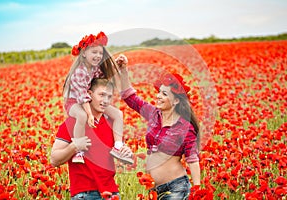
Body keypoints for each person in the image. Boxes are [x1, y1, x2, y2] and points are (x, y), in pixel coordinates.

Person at [116, 55, 201, 199]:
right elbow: (130, 98)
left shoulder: (185, 127)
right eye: (159, 92)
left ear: (175, 101)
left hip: (177, 188)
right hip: (154, 190)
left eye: (164, 93)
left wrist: (198, 191)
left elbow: (192, 159)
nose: (158, 96)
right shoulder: (153, 114)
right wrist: (123, 70)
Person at [51, 78, 133, 199]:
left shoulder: (113, 124)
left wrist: (127, 153)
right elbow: (54, 160)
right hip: (85, 193)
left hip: (112, 193)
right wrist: (74, 146)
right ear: (89, 95)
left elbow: (123, 158)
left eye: (109, 97)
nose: (105, 100)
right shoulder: (73, 123)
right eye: (101, 95)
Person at [63, 31, 133, 164]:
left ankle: (118, 146)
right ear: (84, 53)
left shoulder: (94, 69)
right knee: (82, 116)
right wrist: (90, 115)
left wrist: (116, 64)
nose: (98, 56)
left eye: (100, 53)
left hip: (89, 101)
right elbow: (83, 97)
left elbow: (104, 76)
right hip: (74, 103)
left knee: (118, 114)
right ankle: (78, 150)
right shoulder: (79, 72)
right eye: (94, 52)